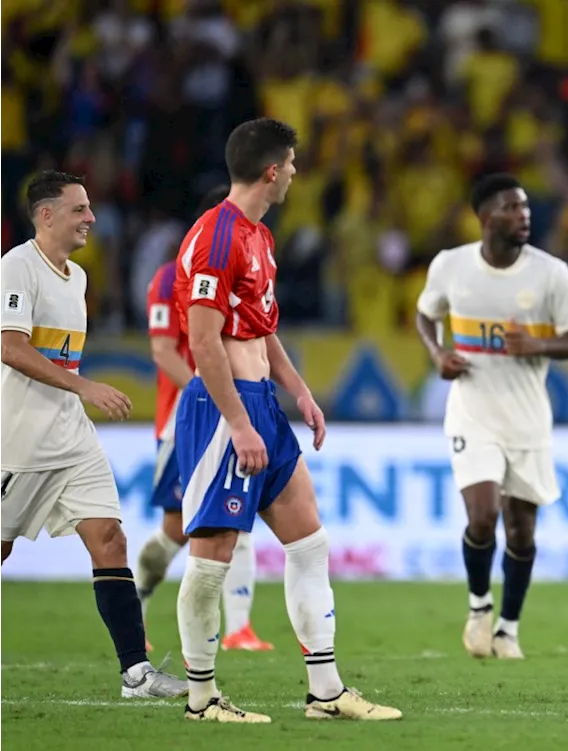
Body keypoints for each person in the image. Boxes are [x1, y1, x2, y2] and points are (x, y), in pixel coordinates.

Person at [173, 118, 400, 723]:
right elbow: (203, 340)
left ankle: (325, 693)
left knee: (310, 542)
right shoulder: (216, 237)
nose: (296, 173)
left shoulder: (260, 238)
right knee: (211, 557)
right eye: (293, 164)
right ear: (272, 170)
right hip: (226, 415)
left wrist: (300, 392)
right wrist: (240, 424)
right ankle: (201, 699)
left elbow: (261, 331)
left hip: (264, 410)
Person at [0, 170, 185, 698]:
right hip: (18, 438)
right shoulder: (16, 267)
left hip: (71, 435)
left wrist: (76, 395)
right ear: (46, 214)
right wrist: (84, 385)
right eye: (79, 209)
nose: (91, 218)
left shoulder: (77, 278)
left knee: (110, 538)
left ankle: (136, 675)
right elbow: (10, 347)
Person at [415, 174, 568, 661]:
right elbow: (425, 314)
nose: (524, 215)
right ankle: (478, 607)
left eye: (526, 208)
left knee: (521, 531)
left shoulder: (551, 274)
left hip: (528, 419)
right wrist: (437, 353)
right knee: (483, 516)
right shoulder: (451, 266)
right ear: (484, 217)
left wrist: (539, 344)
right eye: (512, 208)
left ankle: (508, 629)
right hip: (472, 413)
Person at [135, 184, 273, 654]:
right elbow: (161, 350)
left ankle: (240, 628)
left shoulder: (247, 271)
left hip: (233, 413)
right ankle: (136, 600)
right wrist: (210, 385)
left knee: (238, 516)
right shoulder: (170, 276)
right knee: (175, 532)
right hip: (183, 421)